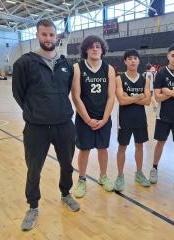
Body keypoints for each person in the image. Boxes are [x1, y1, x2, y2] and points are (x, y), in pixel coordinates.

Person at [12, 19, 80, 232]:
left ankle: (66, 193)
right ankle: (32, 206)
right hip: (36, 128)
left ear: (56, 36)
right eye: (44, 35)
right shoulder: (24, 63)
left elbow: (67, 90)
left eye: (51, 35)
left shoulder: (66, 64)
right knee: (34, 169)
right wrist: (35, 111)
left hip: (64, 125)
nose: (48, 38)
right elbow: (18, 93)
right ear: (37, 35)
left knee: (67, 164)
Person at [71, 35, 116, 197]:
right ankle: (82, 179)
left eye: (98, 46)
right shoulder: (77, 67)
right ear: (86, 50)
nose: (95, 49)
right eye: (91, 46)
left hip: (103, 117)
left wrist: (104, 118)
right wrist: (87, 119)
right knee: (84, 150)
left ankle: (103, 176)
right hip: (85, 118)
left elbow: (111, 96)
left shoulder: (109, 69)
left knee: (103, 149)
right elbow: (76, 96)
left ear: (102, 49)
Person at [149, 44, 174, 185]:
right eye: (173, 55)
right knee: (160, 142)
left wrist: (168, 91)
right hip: (163, 115)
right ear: (168, 56)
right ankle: (154, 168)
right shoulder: (161, 73)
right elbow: (158, 97)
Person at [114, 49, 151, 192]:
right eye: (129, 58)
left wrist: (129, 97)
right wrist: (139, 96)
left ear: (139, 61)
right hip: (125, 118)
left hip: (140, 118)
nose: (133, 61)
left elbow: (148, 101)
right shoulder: (119, 79)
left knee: (139, 146)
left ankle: (139, 173)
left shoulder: (145, 79)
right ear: (125, 61)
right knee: (122, 147)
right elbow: (121, 101)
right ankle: (120, 175)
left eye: (135, 58)